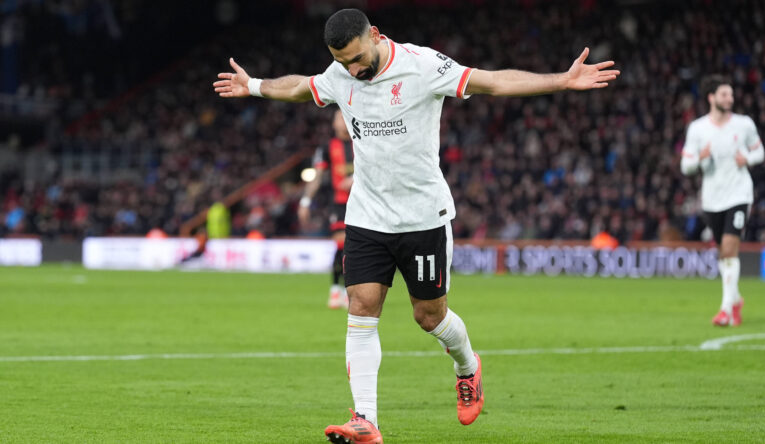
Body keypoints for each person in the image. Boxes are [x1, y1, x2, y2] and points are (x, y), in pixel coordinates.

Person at [214, 8, 619, 443]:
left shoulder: (423, 66)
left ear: (375, 35)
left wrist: (560, 79)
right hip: (367, 215)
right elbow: (299, 87)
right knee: (362, 308)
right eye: (342, 61)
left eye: (356, 58)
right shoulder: (341, 74)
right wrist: (254, 86)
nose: (352, 69)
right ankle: (365, 419)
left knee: (429, 317)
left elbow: (492, 81)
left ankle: (468, 367)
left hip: (423, 217)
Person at [681, 75, 765, 327]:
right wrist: (699, 159)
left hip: (739, 194)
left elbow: (760, 151)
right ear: (711, 97)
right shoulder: (697, 128)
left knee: (729, 248)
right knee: (723, 253)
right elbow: (686, 166)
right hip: (712, 199)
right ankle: (736, 299)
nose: (730, 98)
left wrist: (748, 159)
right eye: (725, 94)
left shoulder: (744, 124)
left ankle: (725, 309)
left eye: (731, 94)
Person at [298, 110, 353, 309]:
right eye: (339, 117)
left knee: (353, 249)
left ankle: (344, 291)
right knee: (343, 246)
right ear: (333, 124)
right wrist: (305, 202)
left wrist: (356, 178)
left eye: (345, 116)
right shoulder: (327, 147)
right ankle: (337, 290)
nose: (343, 121)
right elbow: (317, 177)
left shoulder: (363, 140)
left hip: (363, 204)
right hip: (338, 204)